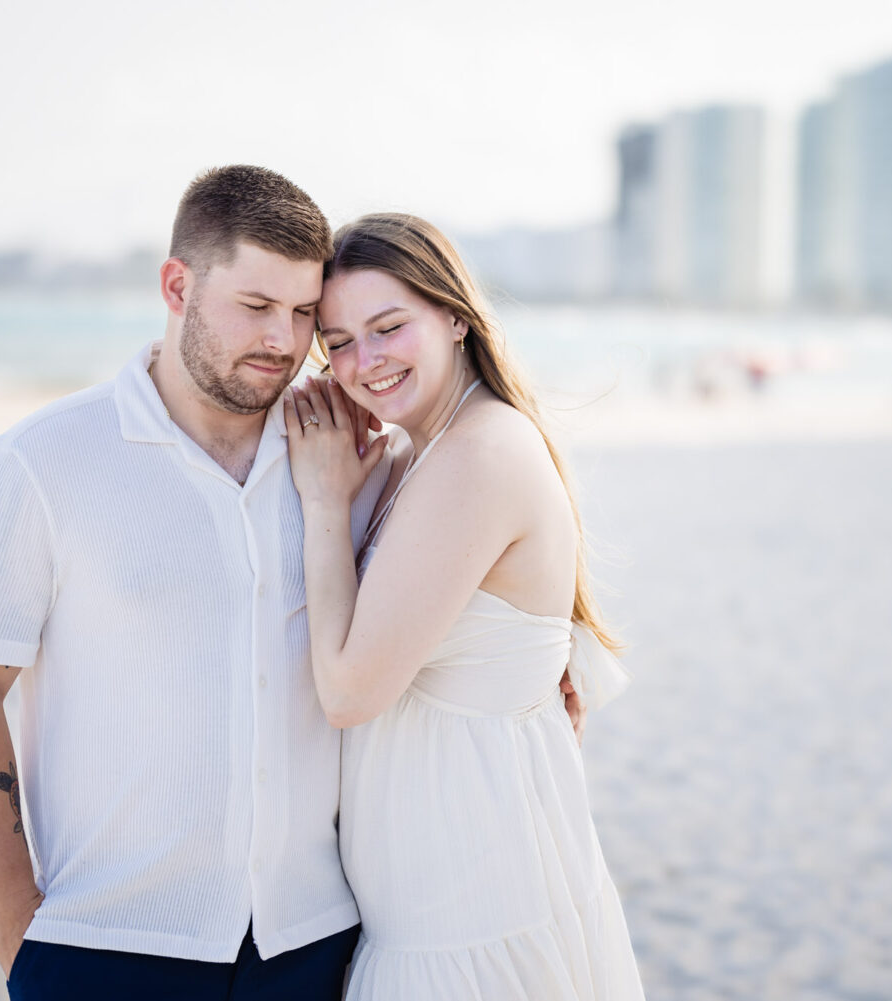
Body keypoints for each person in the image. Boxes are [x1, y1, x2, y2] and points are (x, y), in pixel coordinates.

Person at [0, 165, 407, 999]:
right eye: (256, 307)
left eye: (301, 314)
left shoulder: (347, 454)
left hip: (313, 942)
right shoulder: (39, 462)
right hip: (103, 943)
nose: (284, 342)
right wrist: (16, 928)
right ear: (177, 285)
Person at [284, 212, 644, 999]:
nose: (363, 361)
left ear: (453, 315)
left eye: (387, 326)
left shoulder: (478, 453)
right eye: (337, 341)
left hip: (469, 925)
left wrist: (321, 498)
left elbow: (349, 692)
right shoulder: (423, 451)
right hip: (441, 909)